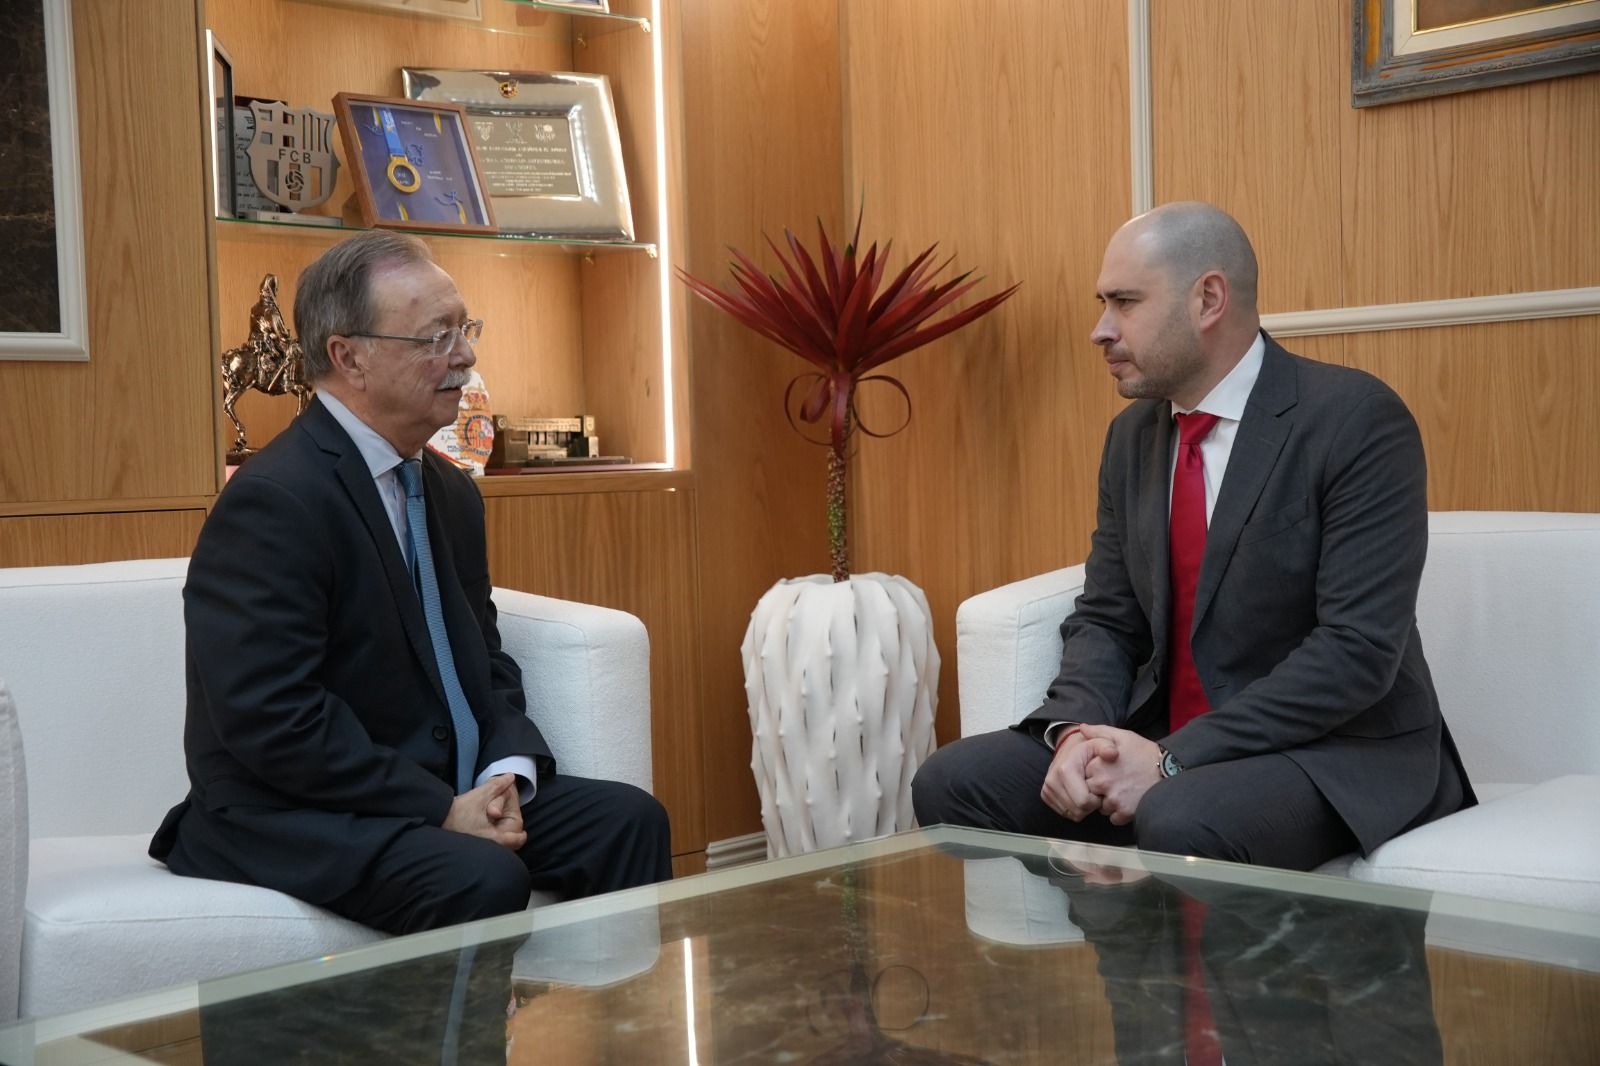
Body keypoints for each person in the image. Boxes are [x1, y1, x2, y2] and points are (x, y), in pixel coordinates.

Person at [912, 202, 1473, 871]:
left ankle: (1153, 937)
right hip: (1162, 735)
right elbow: (1109, 619)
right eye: (1103, 303)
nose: (1100, 330)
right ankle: (1122, 943)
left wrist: (1174, 759)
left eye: (1124, 303)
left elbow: (1355, 652)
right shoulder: (1133, 437)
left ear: (1208, 299)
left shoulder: (1354, 421)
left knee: (1181, 816)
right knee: (952, 782)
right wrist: (1075, 735)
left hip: (1331, 748)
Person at [151, 231, 671, 934]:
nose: (465, 355)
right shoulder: (275, 501)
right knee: (482, 876)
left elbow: (483, 662)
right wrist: (438, 809)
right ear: (349, 356)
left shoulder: (449, 491)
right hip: (293, 811)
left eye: (465, 329)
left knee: (627, 822)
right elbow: (273, 718)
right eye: (436, 337)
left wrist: (504, 776)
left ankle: (631, 1038)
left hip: (437, 788)